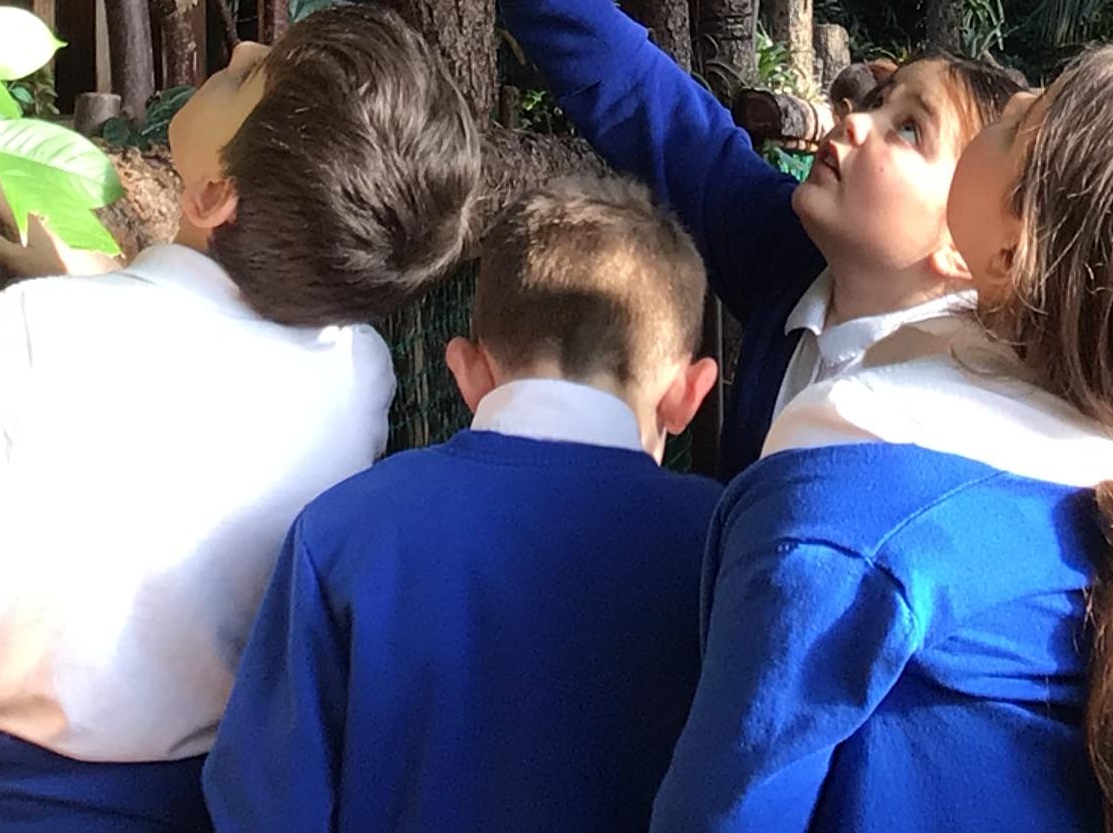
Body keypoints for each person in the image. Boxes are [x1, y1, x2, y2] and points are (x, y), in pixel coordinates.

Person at [654, 41, 1113, 833]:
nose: (1017, 97)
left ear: (1010, 255)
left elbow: (727, 807)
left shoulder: (851, 510)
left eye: (1025, 123)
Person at [0, 9, 485, 833]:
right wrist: (92, 276)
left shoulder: (32, 331)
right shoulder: (359, 372)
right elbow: (189, 371)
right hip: (244, 804)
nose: (243, 46)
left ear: (213, 197)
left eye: (249, 77)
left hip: (38, 807)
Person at [417, 0, 1018, 475]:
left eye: (911, 129)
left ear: (968, 249)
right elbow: (661, 113)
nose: (857, 122)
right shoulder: (793, 267)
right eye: (878, 102)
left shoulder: (971, 422)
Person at [204, 179, 725, 832]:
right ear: (688, 392)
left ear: (466, 369)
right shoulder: (729, 546)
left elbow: (265, 802)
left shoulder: (343, 528)